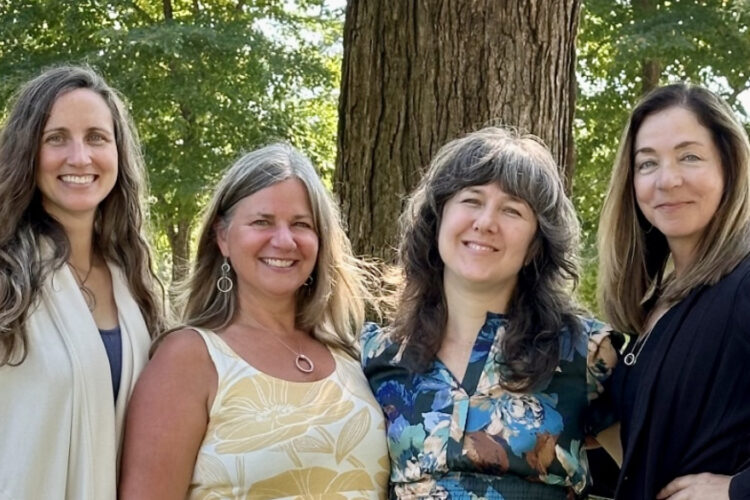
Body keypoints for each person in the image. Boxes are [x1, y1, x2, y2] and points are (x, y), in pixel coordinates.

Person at [361, 126, 620, 499]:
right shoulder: (376, 355)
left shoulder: (587, 353)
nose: (485, 222)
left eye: (512, 209)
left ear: (536, 244)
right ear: (438, 220)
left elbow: (652, 474)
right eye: (471, 200)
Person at [119, 143, 389, 499]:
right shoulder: (189, 358)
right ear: (223, 237)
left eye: (300, 224)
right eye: (262, 222)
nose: (284, 240)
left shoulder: (353, 355)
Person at [0, 66, 164, 499]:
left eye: (96, 137)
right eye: (56, 138)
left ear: (117, 152)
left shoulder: (136, 286)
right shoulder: (6, 282)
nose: (79, 157)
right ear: (27, 152)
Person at [598, 83, 750, 499]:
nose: (667, 180)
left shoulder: (744, 282)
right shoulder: (655, 309)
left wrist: (737, 489)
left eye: (690, 157)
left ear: (730, 166)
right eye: (647, 164)